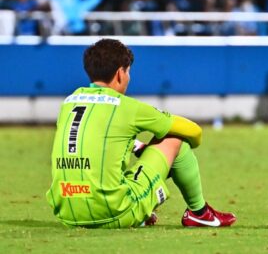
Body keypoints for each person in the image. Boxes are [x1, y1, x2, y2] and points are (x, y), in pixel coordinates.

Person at [46, 39, 236, 228]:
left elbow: (93, 141)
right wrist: (167, 156)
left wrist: (136, 146)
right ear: (120, 73)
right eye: (128, 72)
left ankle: (143, 212)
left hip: (67, 214)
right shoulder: (127, 107)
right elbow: (194, 131)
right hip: (113, 213)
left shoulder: (69, 102)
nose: (129, 78)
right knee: (175, 140)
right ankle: (199, 213)